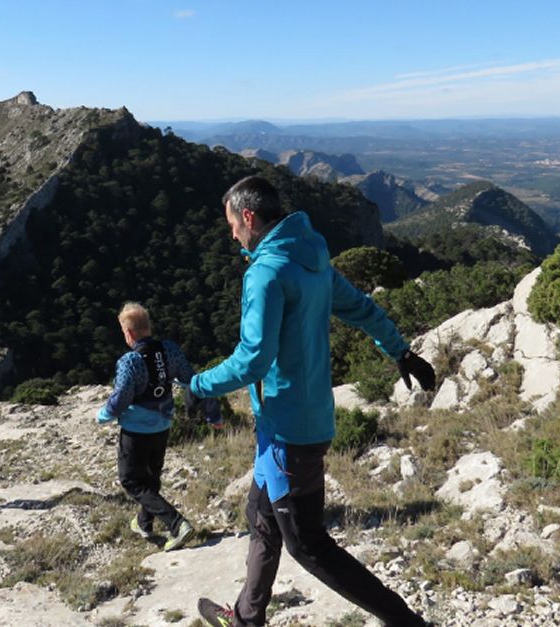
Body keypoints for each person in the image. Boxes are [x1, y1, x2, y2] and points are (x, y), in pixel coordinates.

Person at [191, 176, 436, 627]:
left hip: (289, 431)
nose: (231, 235)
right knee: (261, 518)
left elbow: (251, 361)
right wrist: (399, 349)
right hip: (291, 421)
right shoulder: (313, 255)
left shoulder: (265, 273)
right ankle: (246, 617)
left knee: (307, 544)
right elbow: (359, 307)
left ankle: (406, 622)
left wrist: (198, 386)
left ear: (249, 217)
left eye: (232, 224)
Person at [98, 302, 224, 551]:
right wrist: (213, 413)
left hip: (136, 430)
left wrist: (104, 414)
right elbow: (194, 380)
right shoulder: (169, 349)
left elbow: (122, 397)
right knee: (151, 478)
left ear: (129, 333)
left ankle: (177, 525)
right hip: (163, 425)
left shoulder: (130, 361)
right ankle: (144, 523)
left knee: (132, 481)